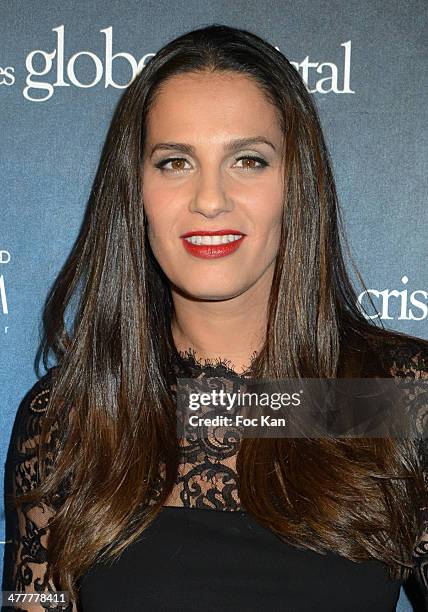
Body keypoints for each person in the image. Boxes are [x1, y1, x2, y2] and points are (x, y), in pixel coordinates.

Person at [3, 23, 428, 612]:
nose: (209, 198)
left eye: (249, 160)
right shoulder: (70, 420)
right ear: (136, 191)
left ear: (295, 186)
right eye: (175, 162)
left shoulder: (395, 397)